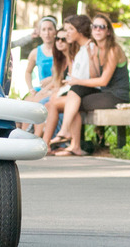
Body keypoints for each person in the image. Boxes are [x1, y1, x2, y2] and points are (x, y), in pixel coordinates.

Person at [48, 14, 130, 156]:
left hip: (117, 95)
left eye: (102, 27)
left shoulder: (113, 50)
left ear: (108, 31)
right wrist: (92, 57)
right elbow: (94, 76)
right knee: (75, 94)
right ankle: (72, 143)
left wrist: (77, 81)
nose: (97, 30)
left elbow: (103, 81)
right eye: (94, 27)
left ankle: (70, 139)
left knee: (75, 97)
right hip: (105, 93)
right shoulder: (96, 49)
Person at [42, 14, 99, 154]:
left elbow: (95, 76)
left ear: (79, 31)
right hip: (78, 90)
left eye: (69, 29)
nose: (66, 33)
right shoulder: (80, 50)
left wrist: (75, 81)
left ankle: (61, 138)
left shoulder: (91, 47)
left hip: (89, 91)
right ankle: (53, 144)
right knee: (52, 103)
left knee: (56, 102)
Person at [25, 16, 57, 100]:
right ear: (39, 33)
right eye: (44, 29)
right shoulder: (35, 53)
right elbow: (28, 72)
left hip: (57, 89)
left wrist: (52, 79)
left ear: (55, 31)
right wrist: (31, 89)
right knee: (27, 101)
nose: (47, 33)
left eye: (50, 29)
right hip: (42, 90)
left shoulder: (61, 50)